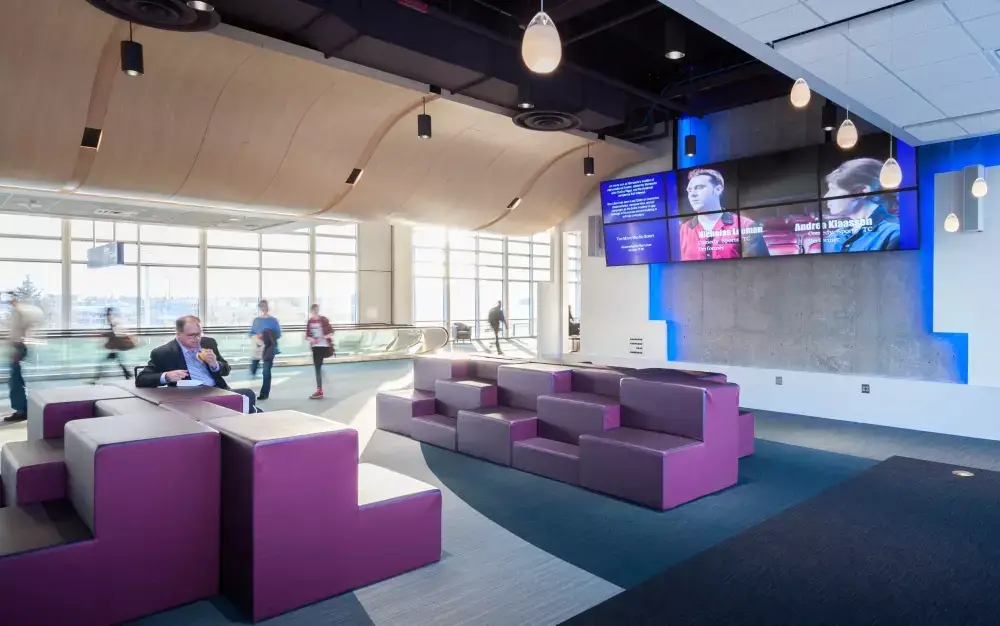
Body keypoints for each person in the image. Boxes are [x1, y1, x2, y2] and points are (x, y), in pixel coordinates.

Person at [136, 315, 259, 412]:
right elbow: (141, 379)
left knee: (248, 396)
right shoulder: (163, 353)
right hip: (189, 398)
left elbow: (226, 369)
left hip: (217, 391)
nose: (197, 338)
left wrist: (214, 364)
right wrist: (166, 376)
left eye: (199, 334)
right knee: (248, 402)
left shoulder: (209, 343)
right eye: (191, 335)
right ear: (178, 335)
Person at [679, 168, 769, 260]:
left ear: (718, 189)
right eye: (689, 190)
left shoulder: (746, 226)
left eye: (699, 187)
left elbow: (758, 268)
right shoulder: (682, 230)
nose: (692, 194)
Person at [822, 158, 901, 253]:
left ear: (862, 191)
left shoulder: (894, 233)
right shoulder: (832, 239)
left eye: (833, 189)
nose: (826, 196)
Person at [3, 293, 42, 423]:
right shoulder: (19, 312)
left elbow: (23, 331)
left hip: (18, 347)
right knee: (17, 379)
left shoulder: (20, 312)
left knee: (15, 381)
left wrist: (18, 349)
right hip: (18, 347)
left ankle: (22, 410)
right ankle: (23, 409)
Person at [249, 299, 281, 398]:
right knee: (254, 366)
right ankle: (254, 368)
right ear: (260, 307)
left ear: (267, 307)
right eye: (262, 306)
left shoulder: (273, 320)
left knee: (266, 371)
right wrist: (257, 336)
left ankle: (264, 393)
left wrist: (266, 335)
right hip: (258, 347)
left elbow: (278, 334)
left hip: (269, 347)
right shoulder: (256, 320)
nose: (264, 308)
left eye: (265, 306)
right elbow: (251, 333)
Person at [93, 307, 133, 383]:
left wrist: (108, 314)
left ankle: (96, 378)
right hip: (114, 350)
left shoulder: (113, 328)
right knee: (120, 364)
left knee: (102, 364)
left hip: (113, 350)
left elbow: (110, 329)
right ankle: (127, 375)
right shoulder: (114, 328)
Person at [306, 304, 333, 400]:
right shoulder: (310, 321)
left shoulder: (324, 320)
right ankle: (319, 389)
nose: (315, 311)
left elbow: (331, 332)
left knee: (318, 367)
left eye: (317, 309)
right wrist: (312, 340)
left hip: (324, 346)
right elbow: (307, 335)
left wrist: (322, 337)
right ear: (311, 311)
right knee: (317, 367)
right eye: (314, 310)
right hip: (315, 347)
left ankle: (319, 389)